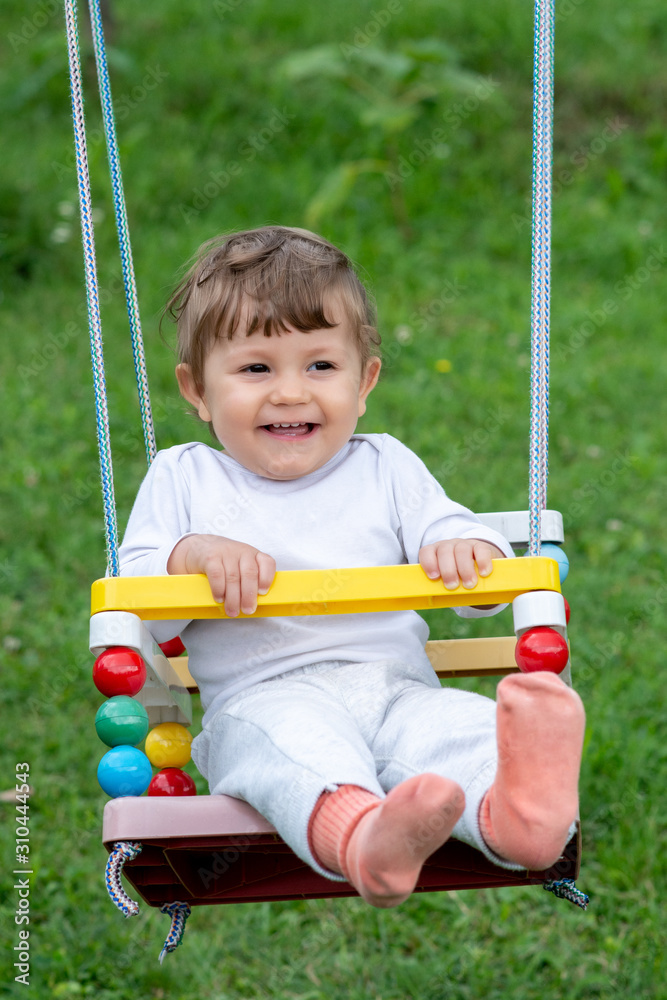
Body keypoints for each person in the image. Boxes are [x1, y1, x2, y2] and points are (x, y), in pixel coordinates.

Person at [119, 226, 585, 907]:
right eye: (255, 369)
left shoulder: (385, 465)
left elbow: (453, 537)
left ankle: (522, 822)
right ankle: (368, 839)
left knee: (457, 732)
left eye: (319, 366)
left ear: (363, 382)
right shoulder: (184, 478)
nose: (288, 393)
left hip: (397, 691)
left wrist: (468, 552)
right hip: (263, 696)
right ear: (197, 390)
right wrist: (192, 556)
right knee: (297, 751)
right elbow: (137, 590)